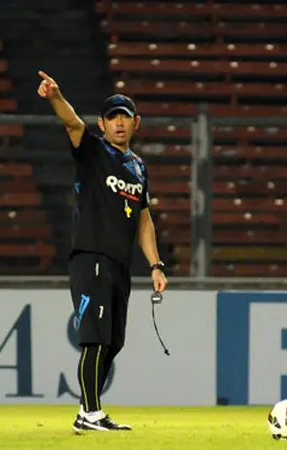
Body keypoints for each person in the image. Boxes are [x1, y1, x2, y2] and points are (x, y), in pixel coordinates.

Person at [37, 71, 169, 432]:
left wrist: (155, 265)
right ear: (103, 123)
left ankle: (87, 410)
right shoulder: (93, 150)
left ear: (136, 122)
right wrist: (55, 96)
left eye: (125, 116)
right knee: (95, 338)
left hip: (119, 263)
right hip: (91, 257)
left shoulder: (139, 167)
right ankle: (91, 413)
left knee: (114, 341)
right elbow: (71, 122)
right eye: (113, 117)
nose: (120, 123)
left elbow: (144, 221)